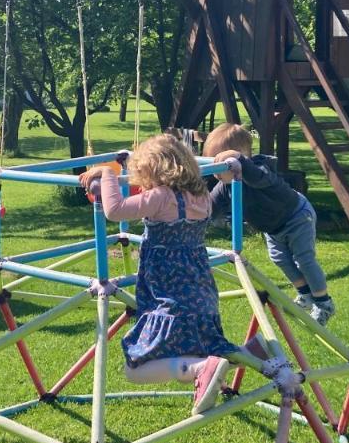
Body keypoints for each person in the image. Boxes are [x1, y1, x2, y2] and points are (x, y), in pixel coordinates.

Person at [80, 135, 236, 414]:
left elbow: (114, 211)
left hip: (168, 293)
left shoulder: (161, 197)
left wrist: (107, 173)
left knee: (135, 368)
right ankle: (250, 353)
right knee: (205, 344)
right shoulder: (201, 197)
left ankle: (200, 369)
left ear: (154, 170)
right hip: (201, 293)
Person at [201, 123, 335, 325]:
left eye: (221, 165)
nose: (216, 173)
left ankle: (324, 303)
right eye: (214, 166)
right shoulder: (225, 187)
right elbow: (208, 210)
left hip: (296, 216)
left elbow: (256, 179)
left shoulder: (260, 169)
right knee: (280, 259)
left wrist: (240, 161)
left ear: (241, 158)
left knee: (304, 259)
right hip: (272, 228)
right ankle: (306, 294)